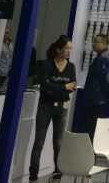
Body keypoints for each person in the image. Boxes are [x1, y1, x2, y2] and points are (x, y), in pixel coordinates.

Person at [30, 36, 77, 181]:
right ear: (58, 49)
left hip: (62, 107)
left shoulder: (71, 67)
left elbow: (72, 86)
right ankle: (33, 174)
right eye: (66, 48)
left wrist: (57, 88)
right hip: (45, 106)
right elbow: (44, 86)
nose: (69, 51)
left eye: (70, 49)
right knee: (39, 141)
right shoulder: (47, 65)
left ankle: (58, 171)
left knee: (58, 142)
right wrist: (63, 87)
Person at [83, 33, 109, 139]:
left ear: (104, 43)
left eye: (96, 42)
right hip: (94, 98)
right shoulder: (100, 57)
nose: (93, 44)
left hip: (98, 100)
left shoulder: (105, 58)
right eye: (93, 42)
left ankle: (92, 148)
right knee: (92, 127)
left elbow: (107, 79)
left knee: (93, 128)